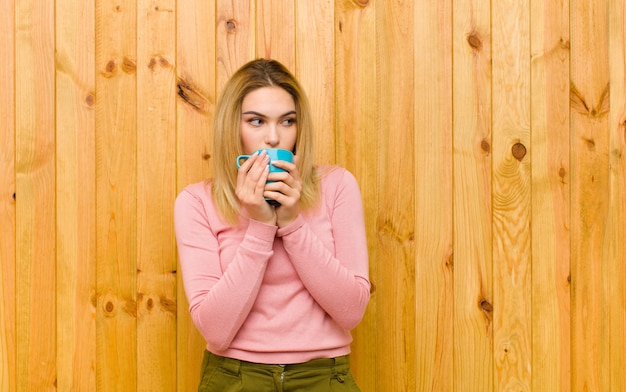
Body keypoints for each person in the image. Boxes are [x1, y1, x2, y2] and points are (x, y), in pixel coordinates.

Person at [174, 58, 370, 392]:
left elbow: (351, 311)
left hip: (323, 376)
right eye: (256, 121)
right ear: (232, 127)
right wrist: (261, 226)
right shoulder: (196, 202)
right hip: (234, 377)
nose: (274, 137)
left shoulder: (338, 186)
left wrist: (292, 223)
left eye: (287, 121)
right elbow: (216, 330)